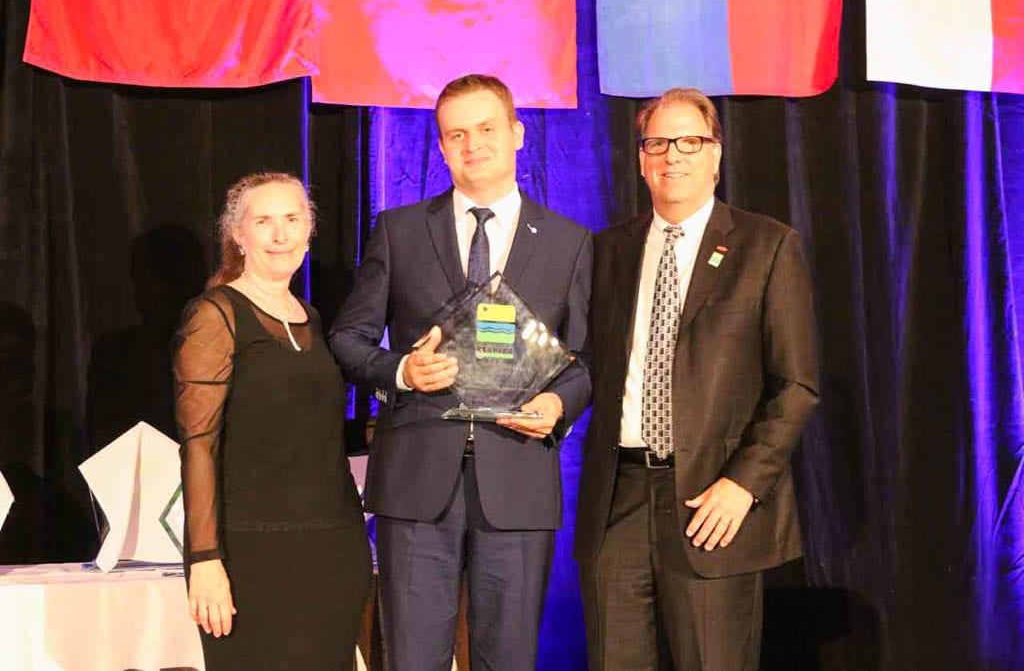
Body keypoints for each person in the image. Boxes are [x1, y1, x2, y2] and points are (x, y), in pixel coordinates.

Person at [329, 74, 592, 671]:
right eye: (456, 134)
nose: (473, 144)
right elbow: (347, 339)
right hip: (417, 482)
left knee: (508, 659)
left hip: (518, 480)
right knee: (413, 659)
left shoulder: (569, 242)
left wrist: (557, 405)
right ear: (442, 147)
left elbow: (586, 359)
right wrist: (402, 370)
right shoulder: (398, 230)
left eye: (486, 128)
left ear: (517, 133)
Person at [574, 88, 820, 670]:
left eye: (690, 141)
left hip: (712, 499)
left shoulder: (767, 246)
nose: (672, 155)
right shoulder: (608, 250)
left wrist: (744, 484)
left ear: (716, 154)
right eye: (658, 143)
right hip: (618, 499)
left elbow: (796, 385)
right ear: (641, 159)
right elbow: (583, 362)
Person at [173, 172, 370, 669]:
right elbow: (198, 445)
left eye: (292, 219)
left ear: (309, 231)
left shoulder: (312, 318)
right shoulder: (215, 315)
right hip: (251, 551)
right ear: (238, 235)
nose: (280, 234)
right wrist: (204, 559)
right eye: (263, 221)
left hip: (334, 547)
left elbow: (314, 434)